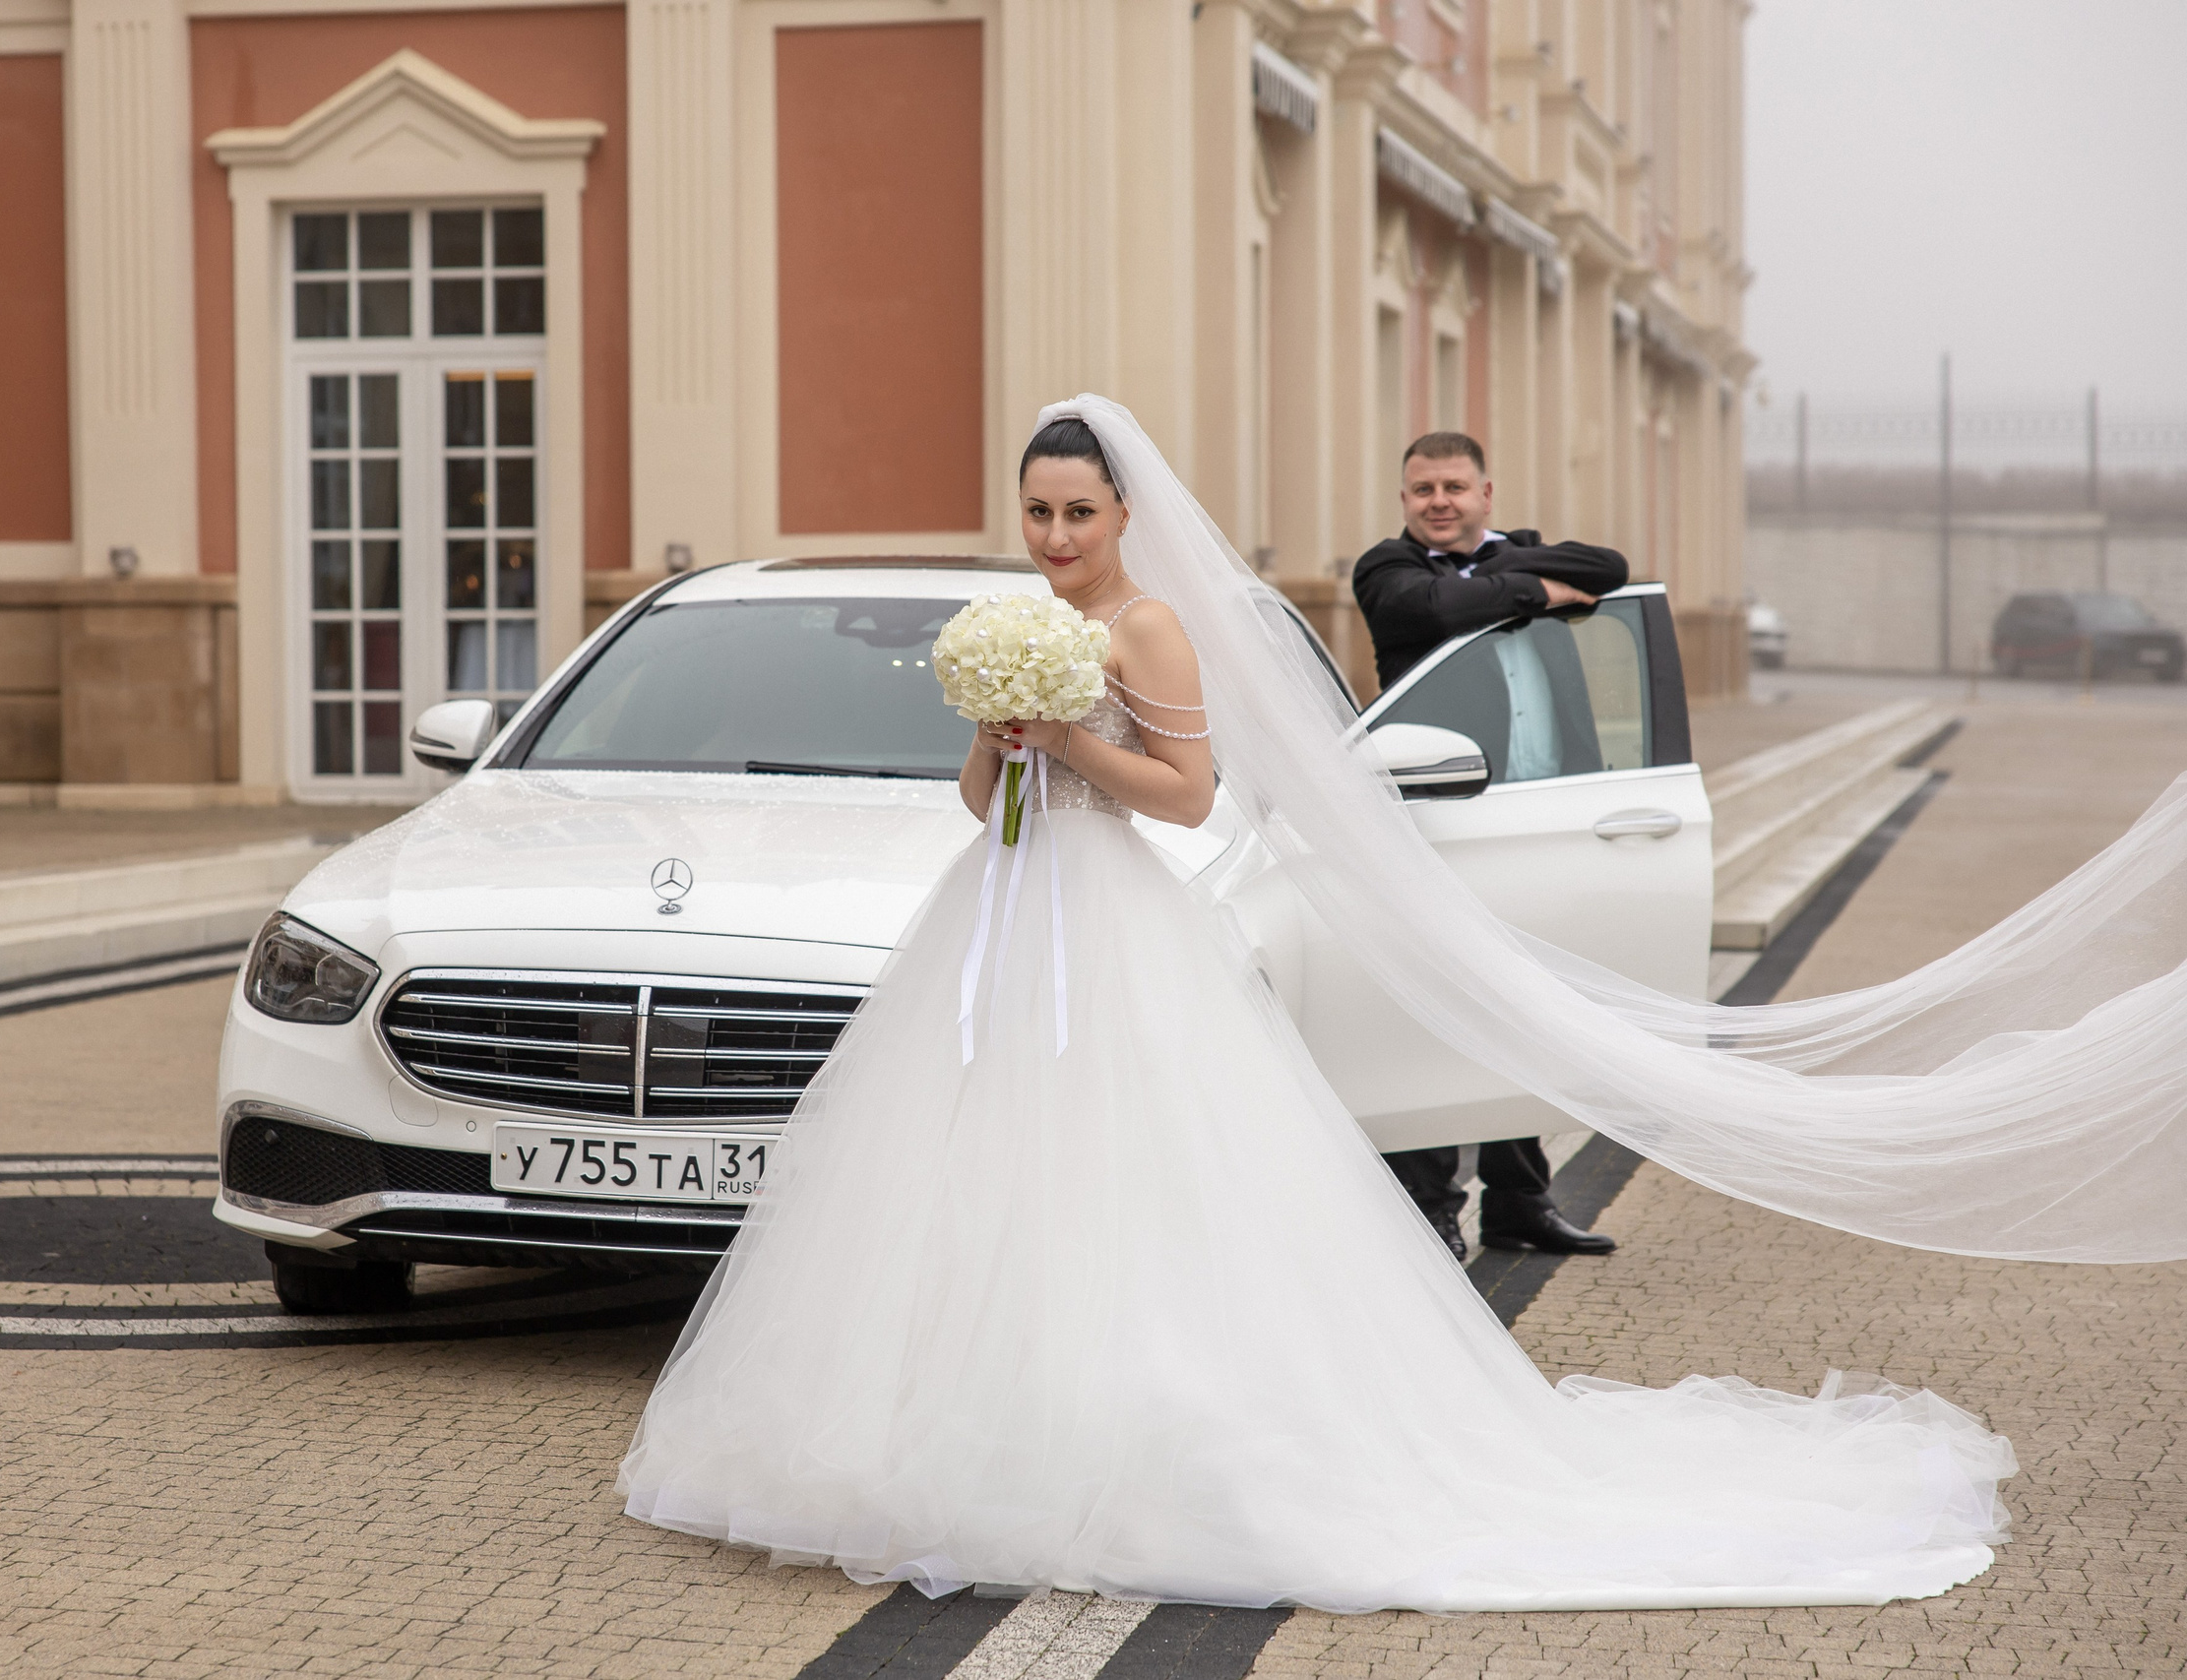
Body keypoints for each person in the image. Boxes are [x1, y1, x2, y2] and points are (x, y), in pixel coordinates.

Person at [617, 399, 2017, 1614]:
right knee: (971, 1168)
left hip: (1111, 919)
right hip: (997, 915)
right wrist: (1000, 742)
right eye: (1037, 512)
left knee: (1128, 1170)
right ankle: (946, 1434)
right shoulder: (1023, 628)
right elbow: (982, 807)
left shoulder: (1149, 626)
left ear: (1122, 513)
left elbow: (1190, 796)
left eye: (1077, 513)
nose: (1054, 535)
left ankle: (1125, 1440)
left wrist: (1076, 745)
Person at [1351, 431, 1629, 1262]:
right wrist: (1538, 590)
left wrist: (1517, 577)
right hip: (1438, 816)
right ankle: (1430, 1207)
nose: (1439, 501)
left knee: (1530, 1010)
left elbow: (1610, 568)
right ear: (1404, 499)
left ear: (1486, 493)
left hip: (1540, 815)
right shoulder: (1384, 570)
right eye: (1422, 488)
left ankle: (1520, 1202)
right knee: (1435, 1013)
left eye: (1454, 486)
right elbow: (1437, 611)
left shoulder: (1532, 555)